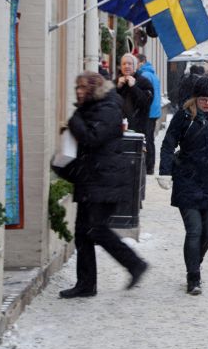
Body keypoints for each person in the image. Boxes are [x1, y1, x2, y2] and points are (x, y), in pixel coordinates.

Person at [59, 71, 149, 298]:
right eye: (77, 88)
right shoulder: (90, 108)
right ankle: (86, 284)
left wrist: (74, 122)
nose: (78, 92)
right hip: (91, 179)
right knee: (83, 233)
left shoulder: (108, 108)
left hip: (104, 181)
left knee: (96, 230)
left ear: (93, 89)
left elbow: (93, 138)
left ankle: (135, 263)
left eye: (82, 88)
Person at [157, 76, 208, 295]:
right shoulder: (183, 117)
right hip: (187, 179)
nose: (207, 103)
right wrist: (165, 171)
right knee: (194, 230)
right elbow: (168, 144)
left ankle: (195, 260)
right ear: (195, 98)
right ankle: (193, 276)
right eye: (203, 99)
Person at [116, 53, 154, 138]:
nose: (126, 66)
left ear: (135, 66)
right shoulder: (116, 82)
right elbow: (109, 103)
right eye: (124, 64)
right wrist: (117, 87)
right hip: (118, 128)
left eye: (129, 64)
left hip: (138, 128)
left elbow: (146, 103)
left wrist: (133, 87)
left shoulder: (144, 82)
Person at [136, 54, 162, 174]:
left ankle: (149, 166)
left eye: (136, 62)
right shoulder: (153, 74)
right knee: (150, 138)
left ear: (141, 62)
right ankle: (150, 165)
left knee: (147, 139)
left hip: (149, 111)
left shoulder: (144, 75)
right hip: (154, 111)